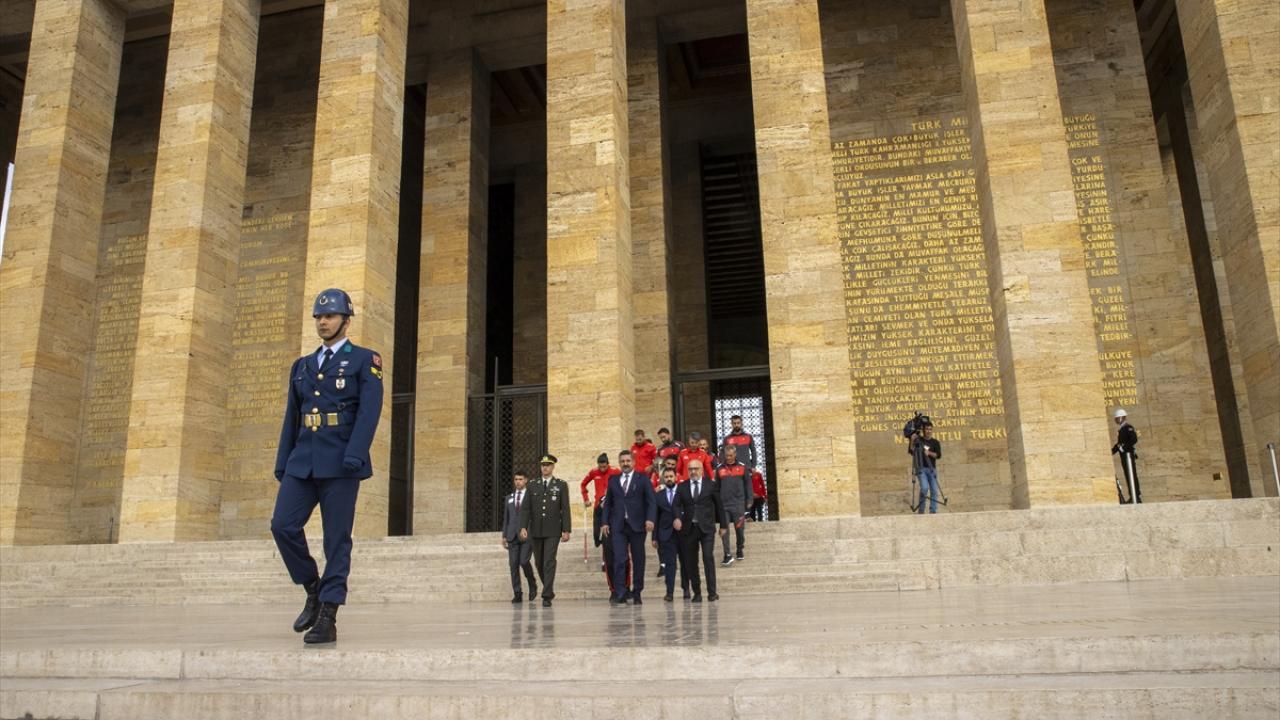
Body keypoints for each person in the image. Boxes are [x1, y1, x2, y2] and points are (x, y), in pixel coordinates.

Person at [271, 288, 383, 645]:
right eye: (319, 317)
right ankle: (313, 587)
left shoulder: (365, 360)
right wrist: (283, 462)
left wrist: (356, 453)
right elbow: (293, 417)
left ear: (346, 320)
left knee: (336, 540)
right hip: (302, 461)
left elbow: (369, 412)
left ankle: (329, 615)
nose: (323, 322)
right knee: (282, 525)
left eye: (330, 316)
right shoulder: (302, 366)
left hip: (341, 462)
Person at [600, 450, 657, 604]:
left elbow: (651, 501)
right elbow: (607, 504)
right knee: (620, 558)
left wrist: (650, 519)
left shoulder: (643, 479)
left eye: (628, 461)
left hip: (638, 525)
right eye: (622, 461)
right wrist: (605, 522)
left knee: (638, 560)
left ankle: (637, 592)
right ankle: (621, 592)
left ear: (633, 462)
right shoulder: (613, 480)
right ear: (619, 463)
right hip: (618, 526)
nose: (625, 464)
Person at [520, 454, 572, 607]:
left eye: (548, 465)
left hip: (553, 530)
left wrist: (566, 529)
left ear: (553, 467)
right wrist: (523, 527)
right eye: (543, 465)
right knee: (539, 562)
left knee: (549, 561)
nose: (545, 467)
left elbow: (565, 508)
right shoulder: (532, 485)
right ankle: (548, 588)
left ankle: (547, 595)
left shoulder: (560, 485)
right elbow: (525, 508)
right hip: (536, 530)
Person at [672, 460, 727, 602]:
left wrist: (723, 525)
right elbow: (676, 505)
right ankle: (697, 593)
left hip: (707, 528)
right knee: (691, 561)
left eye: (696, 469)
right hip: (689, 529)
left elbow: (719, 506)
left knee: (708, 557)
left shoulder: (711, 485)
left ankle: (712, 593)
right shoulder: (682, 487)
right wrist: (677, 518)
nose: (693, 471)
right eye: (690, 469)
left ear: (702, 470)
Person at [580, 453, 620, 594]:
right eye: (600, 466)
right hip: (598, 506)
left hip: (610, 507)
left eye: (604, 466)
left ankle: (605, 560)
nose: (602, 469)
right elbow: (583, 484)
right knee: (597, 536)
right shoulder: (594, 472)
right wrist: (586, 498)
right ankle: (600, 545)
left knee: (606, 535)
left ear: (608, 464)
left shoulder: (615, 471)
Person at [651, 467, 686, 601]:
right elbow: (655, 517)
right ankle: (669, 593)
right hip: (666, 534)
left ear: (676, 477)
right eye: (666, 477)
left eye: (671, 476)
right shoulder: (658, 495)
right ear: (663, 479)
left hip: (683, 533)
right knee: (670, 564)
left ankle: (686, 590)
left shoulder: (683, 492)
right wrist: (654, 537)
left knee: (685, 563)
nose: (669, 479)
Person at [502, 472, 537, 603]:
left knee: (523, 561)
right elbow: (506, 518)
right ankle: (517, 593)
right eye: (516, 479)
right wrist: (504, 535)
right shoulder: (509, 498)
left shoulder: (531, 496)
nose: (518, 482)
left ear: (526, 480)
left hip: (526, 535)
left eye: (520, 479)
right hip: (512, 536)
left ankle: (532, 584)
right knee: (513, 565)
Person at [715, 444, 751, 565]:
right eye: (727, 455)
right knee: (724, 530)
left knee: (739, 530)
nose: (729, 458)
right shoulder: (719, 468)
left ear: (735, 454)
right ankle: (727, 554)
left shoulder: (742, 467)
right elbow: (716, 488)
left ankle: (740, 548)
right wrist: (717, 503)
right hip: (724, 506)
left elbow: (748, 485)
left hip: (738, 505)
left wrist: (749, 500)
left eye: (731, 455)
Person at [909, 421, 942, 514]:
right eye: (927, 429)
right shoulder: (919, 440)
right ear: (923, 430)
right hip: (921, 469)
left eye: (930, 429)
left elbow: (938, 455)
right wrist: (912, 440)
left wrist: (929, 453)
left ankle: (933, 511)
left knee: (934, 490)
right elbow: (912, 451)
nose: (928, 431)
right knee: (924, 488)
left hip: (931, 469)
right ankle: (921, 510)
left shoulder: (935, 442)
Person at [1112, 408, 1141, 504]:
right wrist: (1111, 452)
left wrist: (1124, 448)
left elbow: (1133, 439)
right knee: (1128, 475)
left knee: (1132, 475)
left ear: (1122, 417)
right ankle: (1133, 496)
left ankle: (1136, 496)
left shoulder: (1128, 427)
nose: (1116, 420)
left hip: (1128, 455)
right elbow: (1119, 444)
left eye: (1117, 418)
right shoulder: (1122, 429)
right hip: (1124, 456)